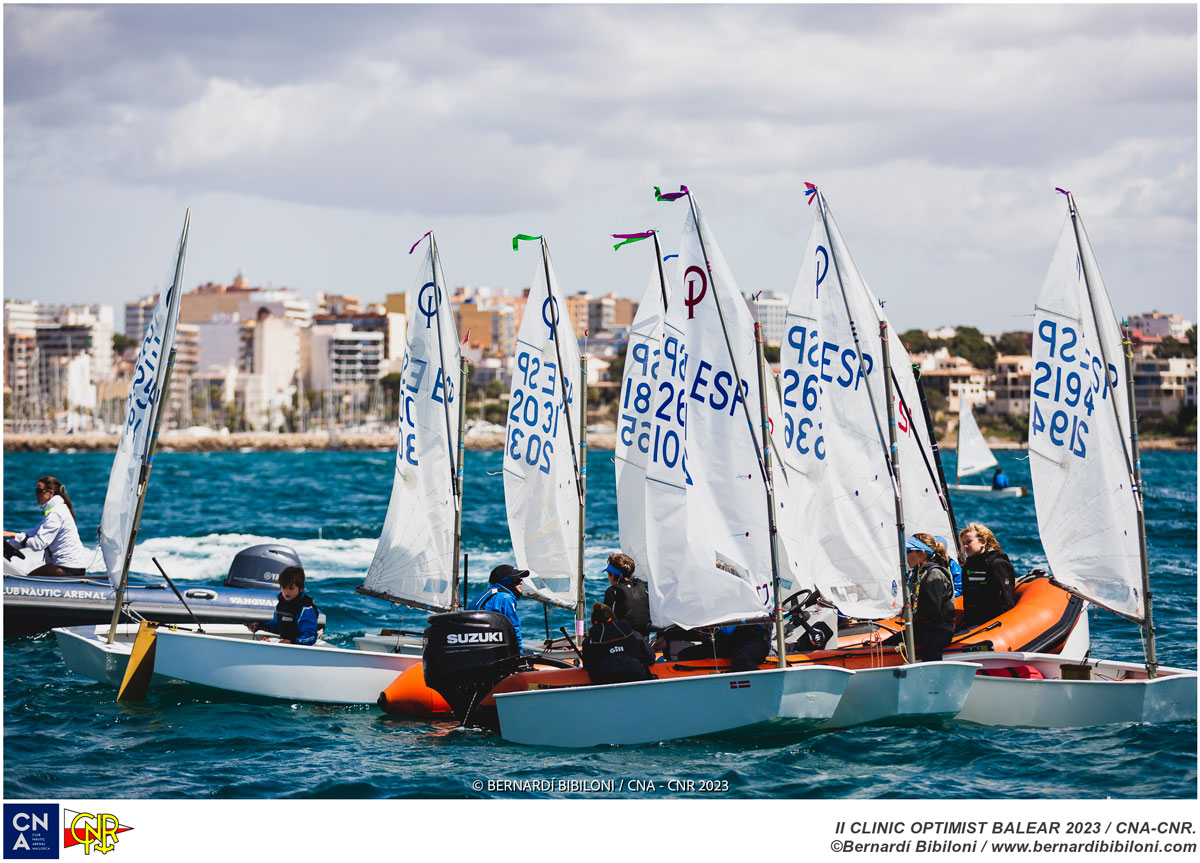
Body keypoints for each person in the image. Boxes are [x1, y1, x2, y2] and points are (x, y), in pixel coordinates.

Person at [3, 476, 92, 577]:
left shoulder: (56, 514)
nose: (36, 494)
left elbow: (39, 544)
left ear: (51, 493)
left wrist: (13, 534)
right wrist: (9, 544)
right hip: (70, 566)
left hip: (67, 567)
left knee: (28, 580)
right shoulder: (56, 511)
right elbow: (31, 535)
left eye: (39, 490)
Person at [905, 534, 956, 662]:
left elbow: (933, 609)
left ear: (922, 554)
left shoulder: (934, 574)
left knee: (930, 651)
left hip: (939, 628)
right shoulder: (918, 572)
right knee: (890, 641)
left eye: (908, 551)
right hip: (924, 627)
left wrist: (912, 612)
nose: (905, 555)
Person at [959, 522, 1018, 626]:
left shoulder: (997, 563)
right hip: (973, 622)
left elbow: (1007, 597)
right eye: (963, 543)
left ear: (983, 542)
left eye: (969, 542)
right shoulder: (968, 566)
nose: (965, 546)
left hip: (993, 622)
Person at [581, 602, 655, 684]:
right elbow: (651, 657)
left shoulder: (590, 641)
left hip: (605, 678)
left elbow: (587, 666)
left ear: (594, 621)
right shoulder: (632, 633)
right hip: (636, 672)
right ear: (612, 616)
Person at [247, 565, 320, 645]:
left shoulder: (306, 608)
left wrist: (292, 641)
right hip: (285, 647)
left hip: (300, 650)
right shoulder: (282, 603)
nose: (286, 592)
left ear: (301, 588)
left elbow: (311, 637)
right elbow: (279, 627)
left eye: (291, 588)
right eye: (283, 588)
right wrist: (260, 625)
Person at [469, 564, 528, 650]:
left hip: (480, 646)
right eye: (517, 580)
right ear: (506, 582)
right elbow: (514, 629)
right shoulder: (506, 598)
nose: (521, 582)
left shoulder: (487, 594)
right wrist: (519, 652)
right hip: (492, 648)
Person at [600, 552, 652, 636]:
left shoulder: (613, 591)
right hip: (644, 637)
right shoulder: (641, 588)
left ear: (612, 575)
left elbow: (605, 619)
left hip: (622, 639)